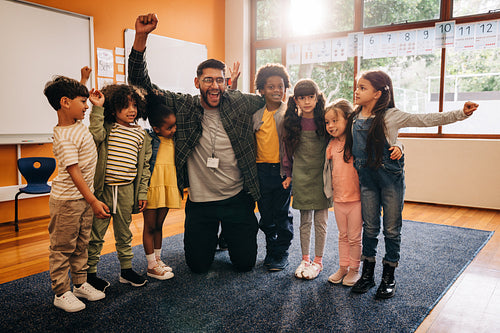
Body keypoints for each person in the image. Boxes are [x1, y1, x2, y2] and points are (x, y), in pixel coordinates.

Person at [128, 13, 265, 273]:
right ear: (197, 82)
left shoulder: (238, 102)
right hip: (201, 202)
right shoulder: (184, 106)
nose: (215, 86)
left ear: (226, 83)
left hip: (237, 198)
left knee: (245, 264)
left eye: (220, 80)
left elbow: (271, 101)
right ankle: (210, 239)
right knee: (198, 266)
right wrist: (141, 38)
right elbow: (141, 86)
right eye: (208, 80)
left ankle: (229, 238)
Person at [349, 70, 479, 299]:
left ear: (378, 93)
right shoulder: (354, 116)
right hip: (367, 181)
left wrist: (461, 113)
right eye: (357, 87)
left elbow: (426, 119)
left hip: (390, 180)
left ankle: (389, 276)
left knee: (391, 229)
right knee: (369, 228)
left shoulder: (392, 116)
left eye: (362, 87)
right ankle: (367, 275)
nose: (357, 91)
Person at [43, 76, 110, 312]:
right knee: (63, 248)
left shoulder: (75, 124)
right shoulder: (64, 136)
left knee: (82, 244)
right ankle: (61, 292)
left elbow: (69, 97)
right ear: (65, 102)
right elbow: (74, 172)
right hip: (67, 202)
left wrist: (83, 80)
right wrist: (92, 200)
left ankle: (80, 284)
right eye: (83, 101)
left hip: (82, 198)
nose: (86, 105)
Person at [86, 84, 152, 290]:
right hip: (103, 190)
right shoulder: (107, 128)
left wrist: (141, 192)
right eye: (125, 106)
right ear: (113, 109)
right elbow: (94, 134)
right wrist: (97, 108)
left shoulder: (142, 135)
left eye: (134, 105)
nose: (131, 110)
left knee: (125, 234)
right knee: (96, 235)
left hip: (126, 191)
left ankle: (126, 270)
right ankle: (90, 274)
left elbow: (145, 168)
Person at [282, 79, 331, 280]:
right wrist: (288, 174)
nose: (307, 101)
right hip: (301, 176)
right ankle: (305, 258)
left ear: (317, 97)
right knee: (304, 221)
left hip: (322, 177)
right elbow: (287, 151)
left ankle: (318, 261)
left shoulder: (325, 120)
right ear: (296, 100)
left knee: (321, 222)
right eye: (302, 98)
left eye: (311, 96)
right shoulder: (292, 122)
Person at [252, 63, 293, 271]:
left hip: (281, 172)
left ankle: (282, 251)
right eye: (271, 86)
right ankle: (271, 247)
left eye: (281, 86)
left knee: (282, 214)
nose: (277, 90)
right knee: (266, 214)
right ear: (261, 90)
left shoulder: (289, 114)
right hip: (261, 171)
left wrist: (290, 173)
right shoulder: (256, 115)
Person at [323, 99, 362, 286]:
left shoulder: (356, 141)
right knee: (342, 235)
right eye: (327, 122)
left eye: (334, 121)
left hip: (356, 200)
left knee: (355, 237)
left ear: (347, 119)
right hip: (338, 200)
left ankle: (355, 269)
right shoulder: (331, 144)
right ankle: (343, 267)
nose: (330, 125)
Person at [142, 91, 180, 280]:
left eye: (175, 126)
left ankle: (157, 260)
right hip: (151, 187)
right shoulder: (149, 139)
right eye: (169, 127)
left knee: (159, 225)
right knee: (149, 226)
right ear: (156, 128)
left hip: (167, 186)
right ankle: (150, 265)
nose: (174, 130)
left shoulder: (174, 140)